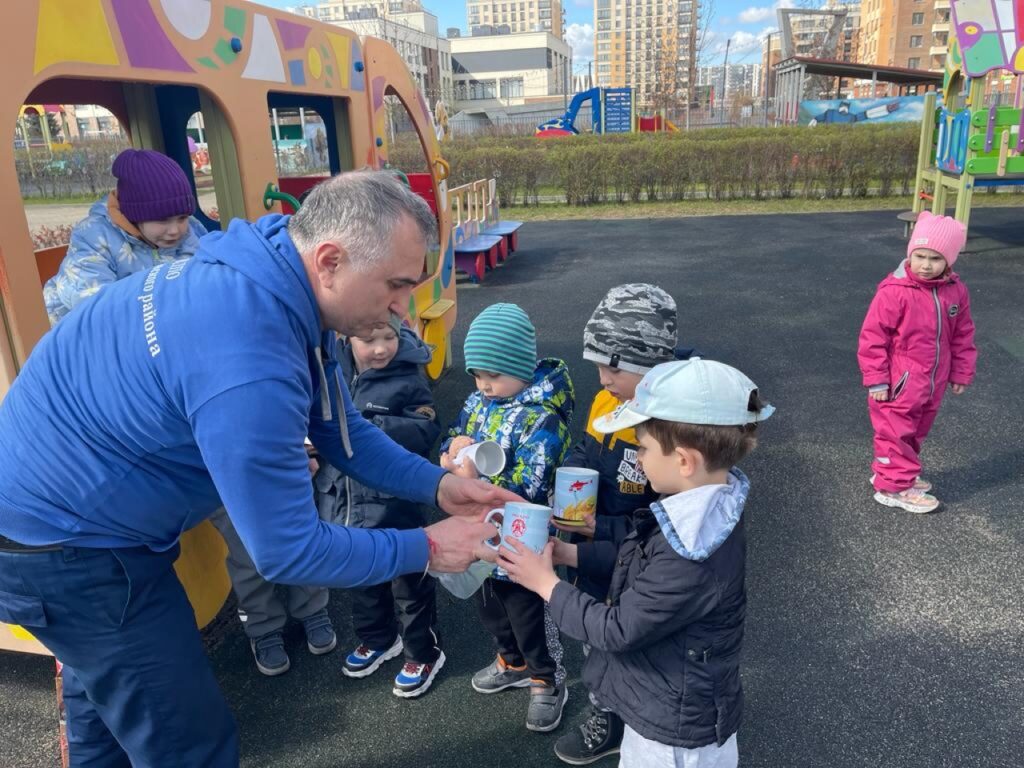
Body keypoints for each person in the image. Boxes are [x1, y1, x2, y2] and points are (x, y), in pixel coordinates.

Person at [0, 171, 514, 767]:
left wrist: (439, 486)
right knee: (189, 745)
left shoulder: (270, 273)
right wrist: (430, 547)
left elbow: (341, 431)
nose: (403, 309)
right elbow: (288, 551)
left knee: (106, 715)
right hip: (70, 548)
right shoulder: (249, 357)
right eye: (396, 285)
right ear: (330, 260)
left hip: (55, 513)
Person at [499, 358, 775, 768]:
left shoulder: (693, 551)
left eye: (642, 447)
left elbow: (616, 629)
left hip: (674, 734)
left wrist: (546, 585)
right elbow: (640, 558)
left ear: (684, 461)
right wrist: (570, 554)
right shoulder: (700, 509)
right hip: (664, 699)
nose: (639, 459)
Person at [553, 283, 690, 764]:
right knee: (595, 647)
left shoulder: (667, 429)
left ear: (649, 366)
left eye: (612, 367)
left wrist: (595, 536)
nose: (602, 378)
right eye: (597, 365)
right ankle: (607, 716)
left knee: (632, 649)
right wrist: (571, 475)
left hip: (632, 562)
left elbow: (661, 527)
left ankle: (632, 723)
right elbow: (585, 447)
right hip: (596, 553)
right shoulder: (606, 402)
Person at [439, 302, 575, 733]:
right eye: (477, 376)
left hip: (522, 537)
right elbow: (455, 433)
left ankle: (546, 678)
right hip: (482, 533)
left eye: (493, 376)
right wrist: (451, 449)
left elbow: (533, 483)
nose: (484, 386)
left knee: (528, 611)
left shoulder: (542, 417)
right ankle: (512, 661)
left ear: (521, 366)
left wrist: (474, 478)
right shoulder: (478, 402)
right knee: (491, 607)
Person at [315, 316, 445, 698]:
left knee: (410, 584)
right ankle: (378, 638)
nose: (381, 348)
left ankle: (424, 652)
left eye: (389, 337)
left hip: (394, 504)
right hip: (346, 502)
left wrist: (369, 431)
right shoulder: (330, 370)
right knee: (363, 577)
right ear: (346, 337)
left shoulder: (408, 376)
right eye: (369, 339)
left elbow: (425, 428)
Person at [858, 211, 976, 514]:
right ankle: (894, 487)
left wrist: (961, 371)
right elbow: (873, 338)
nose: (925, 265)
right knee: (895, 431)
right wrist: (877, 379)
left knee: (916, 430)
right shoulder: (895, 292)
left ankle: (894, 472)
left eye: (935, 259)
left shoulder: (955, 291)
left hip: (933, 379)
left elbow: (962, 334)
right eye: (920, 256)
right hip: (900, 380)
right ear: (910, 253)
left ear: (949, 260)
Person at [42, 148, 208, 325]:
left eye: (182, 217)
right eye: (162, 220)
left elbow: (208, 277)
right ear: (134, 215)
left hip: (159, 324)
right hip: (82, 331)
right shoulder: (93, 239)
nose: (175, 230)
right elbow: (96, 308)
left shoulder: (191, 229)